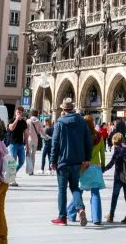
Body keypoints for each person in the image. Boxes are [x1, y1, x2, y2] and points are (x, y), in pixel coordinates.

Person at [50, 97, 92, 225]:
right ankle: (80, 208)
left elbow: (55, 143)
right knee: (75, 187)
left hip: (63, 161)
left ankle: (62, 217)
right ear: (72, 109)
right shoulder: (82, 121)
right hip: (77, 161)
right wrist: (87, 159)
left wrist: (52, 160)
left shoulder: (60, 122)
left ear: (63, 109)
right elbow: (88, 141)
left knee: (62, 190)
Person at [68, 116, 105, 226]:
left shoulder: (81, 136)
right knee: (95, 193)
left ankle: (71, 213)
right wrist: (102, 166)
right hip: (96, 167)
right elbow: (102, 153)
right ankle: (97, 218)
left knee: (78, 191)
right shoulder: (99, 136)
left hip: (83, 166)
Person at [104, 131, 126, 223]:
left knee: (115, 196)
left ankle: (111, 215)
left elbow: (112, 163)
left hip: (118, 175)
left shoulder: (118, 149)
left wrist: (103, 169)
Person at [7, 107, 28, 187]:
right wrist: (16, 119)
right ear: (15, 113)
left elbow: (26, 134)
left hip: (21, 144)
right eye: (17, 112)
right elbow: (11, 128)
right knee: (12, 161)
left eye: (20, 112)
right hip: (12, 144)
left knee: (22, 161)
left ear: (22, 113)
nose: (18, 113)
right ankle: (12, 179)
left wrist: (27, 145)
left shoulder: (23, 122)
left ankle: (11, 174)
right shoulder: (11, 120)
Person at [26, 110, 43, 175]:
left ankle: (29, 170)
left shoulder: (28, 121)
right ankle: (32, 170)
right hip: (35, 140)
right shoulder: (38, 122)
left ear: (31, 114)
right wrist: (46, 136)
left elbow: (25, 131)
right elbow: (42, 131)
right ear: (37, 114)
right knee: (33, 155)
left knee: (28, 155)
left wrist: (24, 140)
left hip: (29, 139)